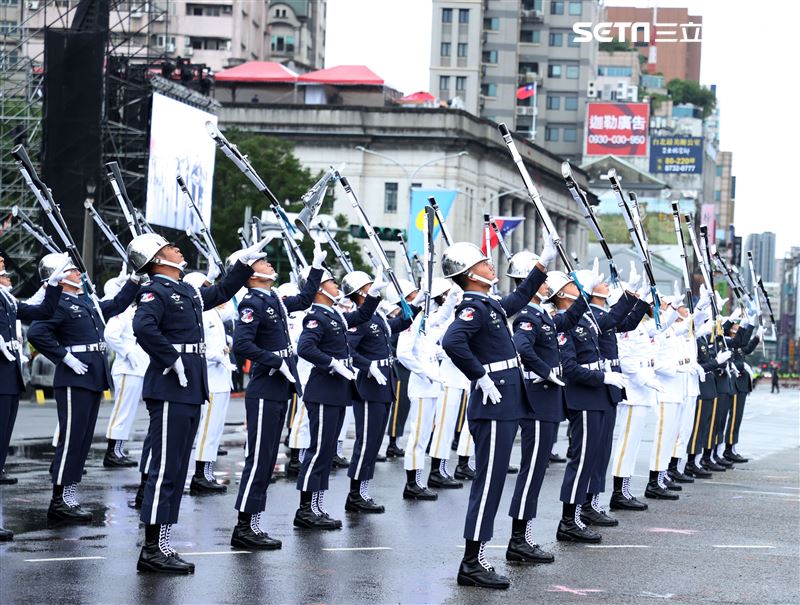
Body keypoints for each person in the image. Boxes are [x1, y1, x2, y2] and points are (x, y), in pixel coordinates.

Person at [129, 232, 267, 574]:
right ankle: (151, 548)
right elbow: (143, 327)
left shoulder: (186, 290)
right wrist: (169, 357)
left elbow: (219, 293)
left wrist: (242, 264)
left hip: (189, 386)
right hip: (170, 385)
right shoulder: (154, 290)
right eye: (170, 247)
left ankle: (162, 543)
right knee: (164, 470)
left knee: (177, 468)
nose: (178, 250)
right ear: (157, 259)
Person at [442, 236, 554, 590]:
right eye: (484, 262)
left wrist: (542, 265)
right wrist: (480, 375)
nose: (491, 265)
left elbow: (520, 298)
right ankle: (472, 562)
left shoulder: (488, 304)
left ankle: (477, 558)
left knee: (493, 483)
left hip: (504, 402)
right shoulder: (472, 308)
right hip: (493, 404)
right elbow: (452, 341)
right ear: (472, 274)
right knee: (488, 483)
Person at [28, 253, 140, 524]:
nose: (79, 272)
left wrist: (135, 279)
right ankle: (59, 499)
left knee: (82, 440)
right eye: (72, 270)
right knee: (71, 440)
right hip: (73, 377)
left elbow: (115, 305)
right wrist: (63, 356)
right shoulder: (56, 302)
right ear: (59, 277)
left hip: (91, 376)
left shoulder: (85, 300)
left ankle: (69, 494)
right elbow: (36, 333)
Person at [230, 243, 325, 548]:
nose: (269, 264)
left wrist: (316, 267)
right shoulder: (251, 304)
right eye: (262, 261)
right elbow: (242, 345)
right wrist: (277, 361)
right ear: (250, 274)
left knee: (268, 458)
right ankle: (244, 527)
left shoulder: (272, 299)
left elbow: (306, 298)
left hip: (279, 386)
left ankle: (254, 524)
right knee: (258, 459)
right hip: (265, 386)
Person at [507, 250, 585, 564]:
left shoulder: (541, 313)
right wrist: (545, 371)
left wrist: (585, 292)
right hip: (538, 401)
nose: (546, 283)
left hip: (548, 401)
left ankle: (523, 537)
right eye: (540, 279)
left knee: (537, 471)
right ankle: (518, 540)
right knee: (532, 472)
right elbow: (522, 347)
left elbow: (567, 320)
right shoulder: (527, 315)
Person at [293, 267, 384, 529]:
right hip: (323, 390)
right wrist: (332, 363)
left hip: (336, 391)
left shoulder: (335, 315)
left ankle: (317, 506)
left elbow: (362, 314)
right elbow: (305, 348)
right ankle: (306, 509)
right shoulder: (316, 317)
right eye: (331, 282)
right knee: (319, 451)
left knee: (327, 452)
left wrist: (374, 294)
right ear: (319, 290)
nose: (336, 285)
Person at [549, 271, 627, 542]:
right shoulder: (563, 324)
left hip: (598, 395)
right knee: (581, 461)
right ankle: (569, 520)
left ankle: (582, 512)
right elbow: (569, 367)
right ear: (561, 294)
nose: (580, 288)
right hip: (583, 397)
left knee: (594, 457)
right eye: (573, 285)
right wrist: (602, 377)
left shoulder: (583, 320)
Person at [0, 254, 65, 541]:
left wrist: (52, 284)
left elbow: (41, 310)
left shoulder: (6, 299)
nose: (3, 261)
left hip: (9, 379)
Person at [343, 270, 419, 513]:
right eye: (369, 285)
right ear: (361, 293)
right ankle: (355, 494)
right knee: (366, 442)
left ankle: (363, 490)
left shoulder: (376, 316)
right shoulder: (359, 319)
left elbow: (399, 324)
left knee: (375, 441)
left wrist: (418, 304)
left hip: (383, 384)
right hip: (368, 386)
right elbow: (348, 352)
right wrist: (369, 366)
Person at [183, 271, 237, 495]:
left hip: (222, 378)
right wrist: (216, 354)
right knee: (207, 429)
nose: (211, 288)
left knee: (215, 429)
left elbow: (231, 309)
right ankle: (200, 475)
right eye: (206, 285)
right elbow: (194, 346)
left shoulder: (211, 311)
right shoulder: (197, 313)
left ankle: (208, 471)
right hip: (210, 379)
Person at [102, 276, 149, 468]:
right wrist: (127, 352)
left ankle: (119, 449)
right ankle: (112, 452)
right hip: (126, 368)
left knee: (128, 413)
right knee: (121, 411)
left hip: (137, 369)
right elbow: (110, 335)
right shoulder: (123, 313)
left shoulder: (139, 312)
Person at [384, 280, 419, 458]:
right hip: (400, 366)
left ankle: (395, 441)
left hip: (409, 364)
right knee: (399, 406)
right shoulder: (398, 319)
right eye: (413, 292)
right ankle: (392, 442)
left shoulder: (410, 315)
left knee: (405, 407)